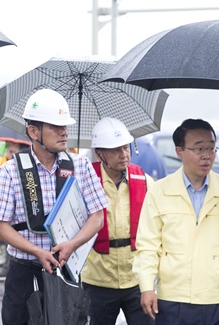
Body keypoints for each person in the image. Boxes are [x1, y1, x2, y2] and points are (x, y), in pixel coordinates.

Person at [0, 88, 109, 325]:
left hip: (67, 272)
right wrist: (37, 252)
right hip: (24, 273)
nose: (64, 132)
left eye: (65, 126)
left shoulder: (80, 166)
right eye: (55, 126)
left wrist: (72, 244)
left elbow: (97, 217)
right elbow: (0, 228)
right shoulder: (9, 171)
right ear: (33, 131)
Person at [134, 118, 219, 325]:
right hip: (175, 299)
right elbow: (148, 246)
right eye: (199, 148)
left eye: (211, 148)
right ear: (179, 151)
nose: (207, 156)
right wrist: (147, 287)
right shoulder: (160, 191)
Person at [81, 117, 154, 325]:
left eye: (126, 148)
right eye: (116, 150)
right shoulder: (85, 181)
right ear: (99, 153)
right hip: (98, 280)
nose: (124, 155)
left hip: (137, 279)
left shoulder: (145, 180)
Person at [0, 141, 30, 281]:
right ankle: (4, 266)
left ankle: (6, 266)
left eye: (15, 152)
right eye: (10, 151)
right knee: (3, 240)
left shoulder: (25, 167)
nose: (12, 155)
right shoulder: (1, 166)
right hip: (2, 206)